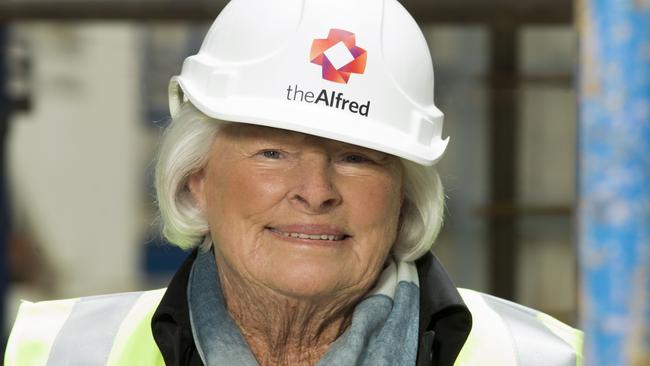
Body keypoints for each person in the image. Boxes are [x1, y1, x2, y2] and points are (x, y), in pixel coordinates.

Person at [4, 0, 583, 365]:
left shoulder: (547, 358)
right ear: (198, 178)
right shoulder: (58, 351)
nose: (315, 190)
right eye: (273, 152)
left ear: (404, 194)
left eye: (357, 157)